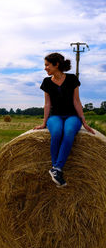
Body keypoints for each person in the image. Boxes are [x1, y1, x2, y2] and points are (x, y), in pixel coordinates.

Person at [34, 52, 95, 188]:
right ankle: (56, 169)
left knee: (68, 132)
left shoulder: (72, 79)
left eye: (47, 65)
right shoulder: (46, 82)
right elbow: (47, 104)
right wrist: (44, 123)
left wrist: (84, 122)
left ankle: (57, 168)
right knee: (56, 132)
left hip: (72, 116)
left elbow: (76, 101)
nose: (45, 68)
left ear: (56, 65)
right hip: (54, 116)